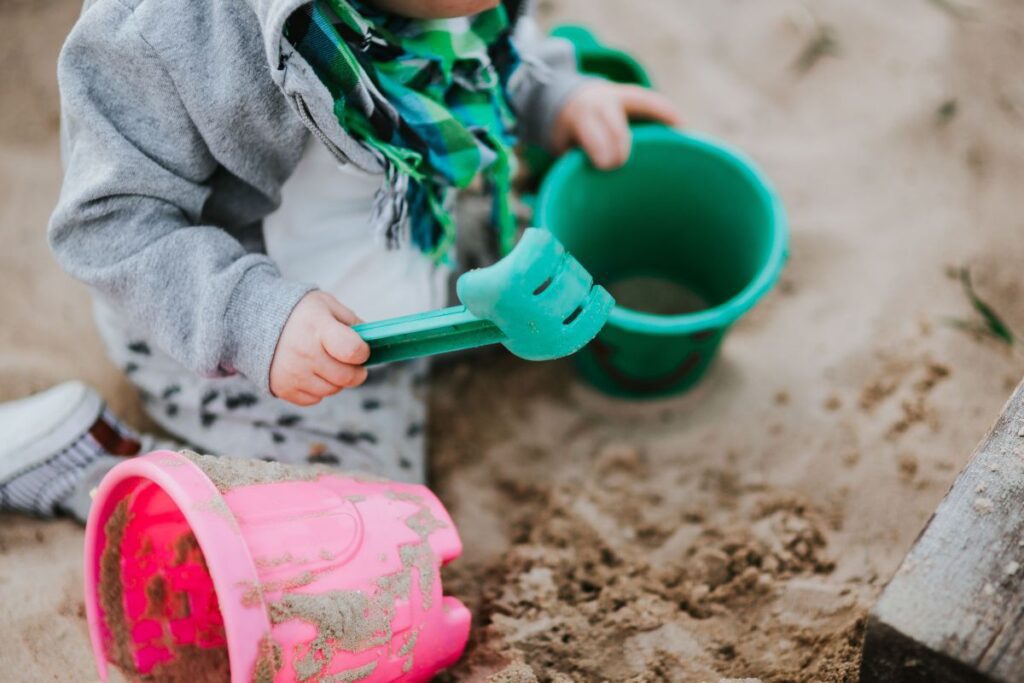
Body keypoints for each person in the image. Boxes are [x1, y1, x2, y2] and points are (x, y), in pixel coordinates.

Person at [0, 0, 681, 522]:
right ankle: (96, 462)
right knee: (366, 514)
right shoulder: (164, 32)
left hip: (407, 239)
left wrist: (553, 96)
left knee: (552, 254)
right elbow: (111, 225)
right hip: (250, 338)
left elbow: (486, 45)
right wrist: (253, 315)